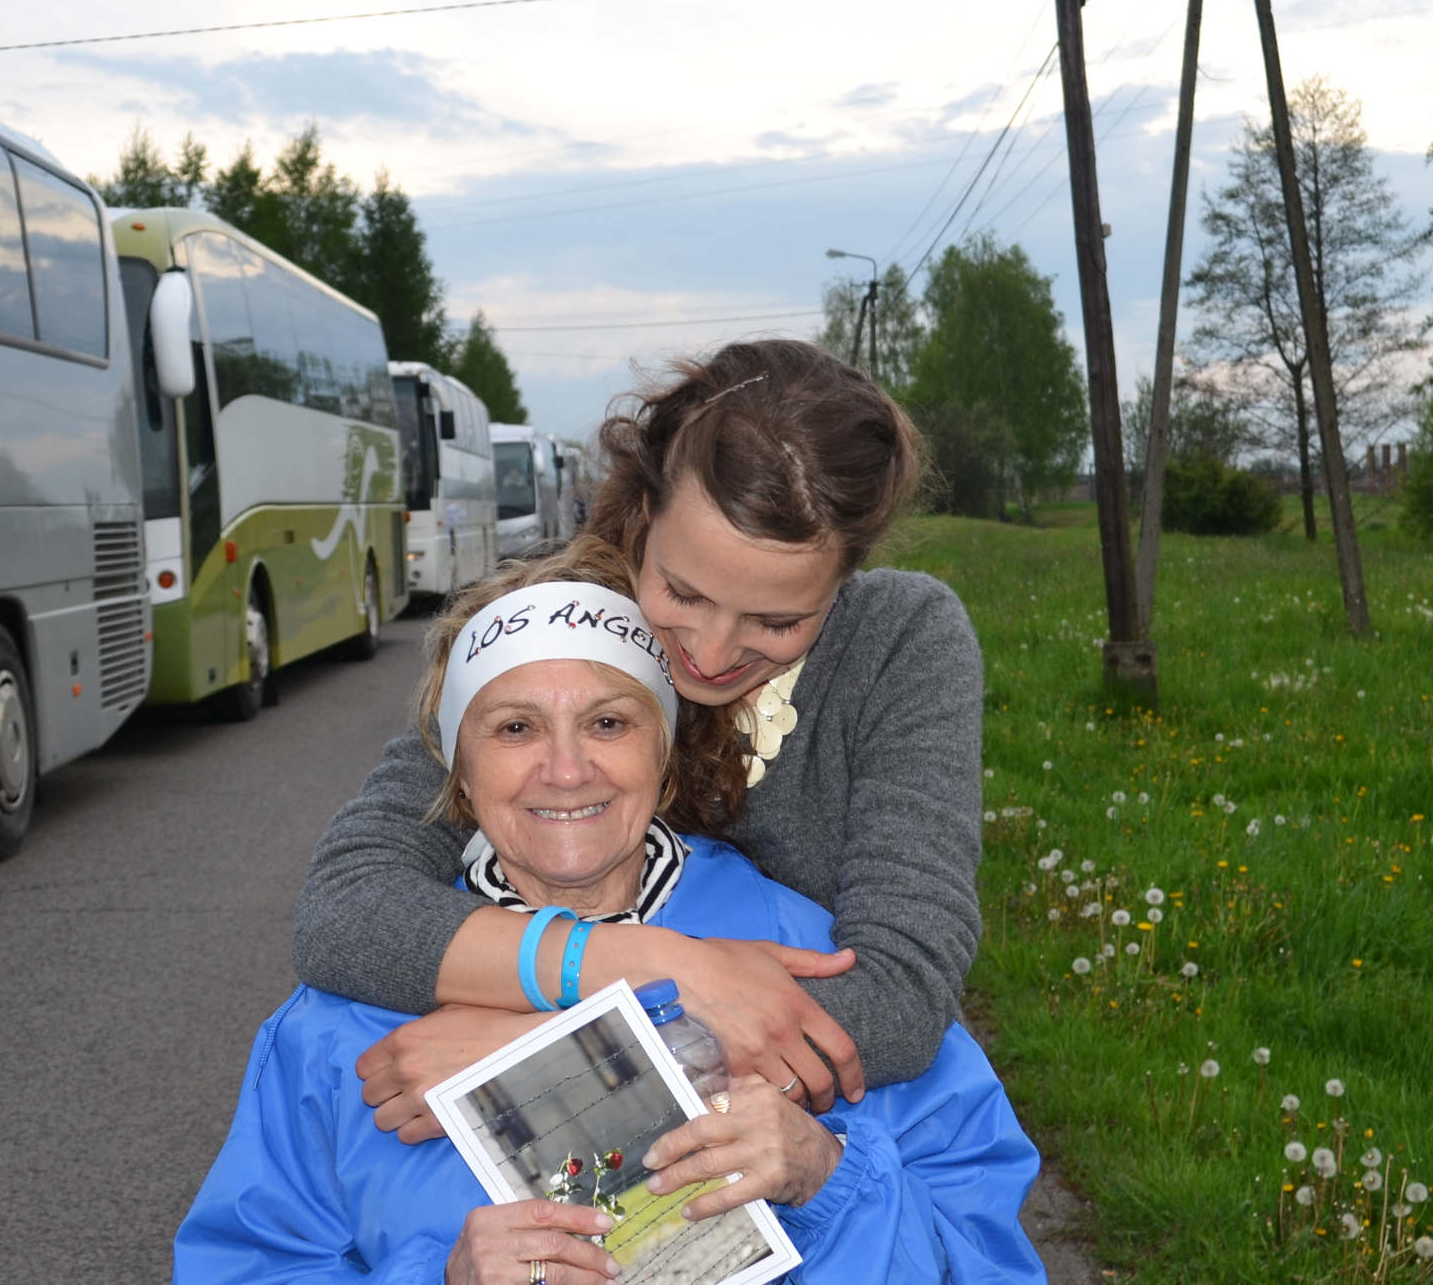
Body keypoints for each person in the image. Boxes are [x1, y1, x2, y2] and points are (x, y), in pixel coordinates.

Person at [166, 552, 1044, 1285]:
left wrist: (827, 1178)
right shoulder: (342, 1027)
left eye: (610, 721)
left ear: (668, 756)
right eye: (514, 726)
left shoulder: (813, 973)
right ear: (456, 766)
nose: (566, 767)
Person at [296, 338, 984, 1131]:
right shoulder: (559, 618)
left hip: (833, 1154)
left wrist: (535, 1057)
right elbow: (345, 908)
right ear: (643, 516)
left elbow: (899, 998)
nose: (713, 654)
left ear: (846, 577)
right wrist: (664, 970)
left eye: (779, 620)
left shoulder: (902, 641)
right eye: (682, 592)